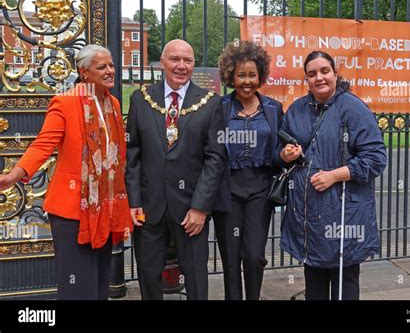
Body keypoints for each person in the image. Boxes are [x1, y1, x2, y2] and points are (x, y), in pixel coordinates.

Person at [0, 44, 132, 300]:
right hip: (73, 211)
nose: (110, 71)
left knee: (99, 285)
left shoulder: (113, 103)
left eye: (112, 65)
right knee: (77, 287)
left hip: (104, 206)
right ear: (84, 72)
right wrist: (14, 175)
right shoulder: (65, 102)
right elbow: (43, 144)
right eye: (102, 67)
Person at [278, 50, 387, 300]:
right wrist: (285, 154)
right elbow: (279, 152)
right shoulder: (296, 110)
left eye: (324, 71)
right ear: (306, 79)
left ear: (335, 73)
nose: (319, 78)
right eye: (312, 74)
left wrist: (335, 175)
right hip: (307, 217)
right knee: (314, 280)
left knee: (344, 282)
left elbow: (376, 158)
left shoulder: (354, 109)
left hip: (344, 215)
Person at [126, 39, 227, 300]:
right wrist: (134, 201)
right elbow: (132, 153)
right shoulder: (141, 99)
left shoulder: (211, 103)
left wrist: (201, 207)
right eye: (175, 59)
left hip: (190, 210)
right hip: (149, 208)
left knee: (195, 277)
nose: (181, 66)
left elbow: (215, 159)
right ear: (162, 63)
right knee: (148, 275)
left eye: (188, 60)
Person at [213, 41, 283, 300]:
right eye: (241, 75)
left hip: (260, 190)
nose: (246, 81)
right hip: (227, 189)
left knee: (253, 256)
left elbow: (277, 152)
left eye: (252, 75)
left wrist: (284, 155)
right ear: (230, 75)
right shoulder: (219, 108)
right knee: (231, 259)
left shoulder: (273, 109)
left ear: (260, 75)